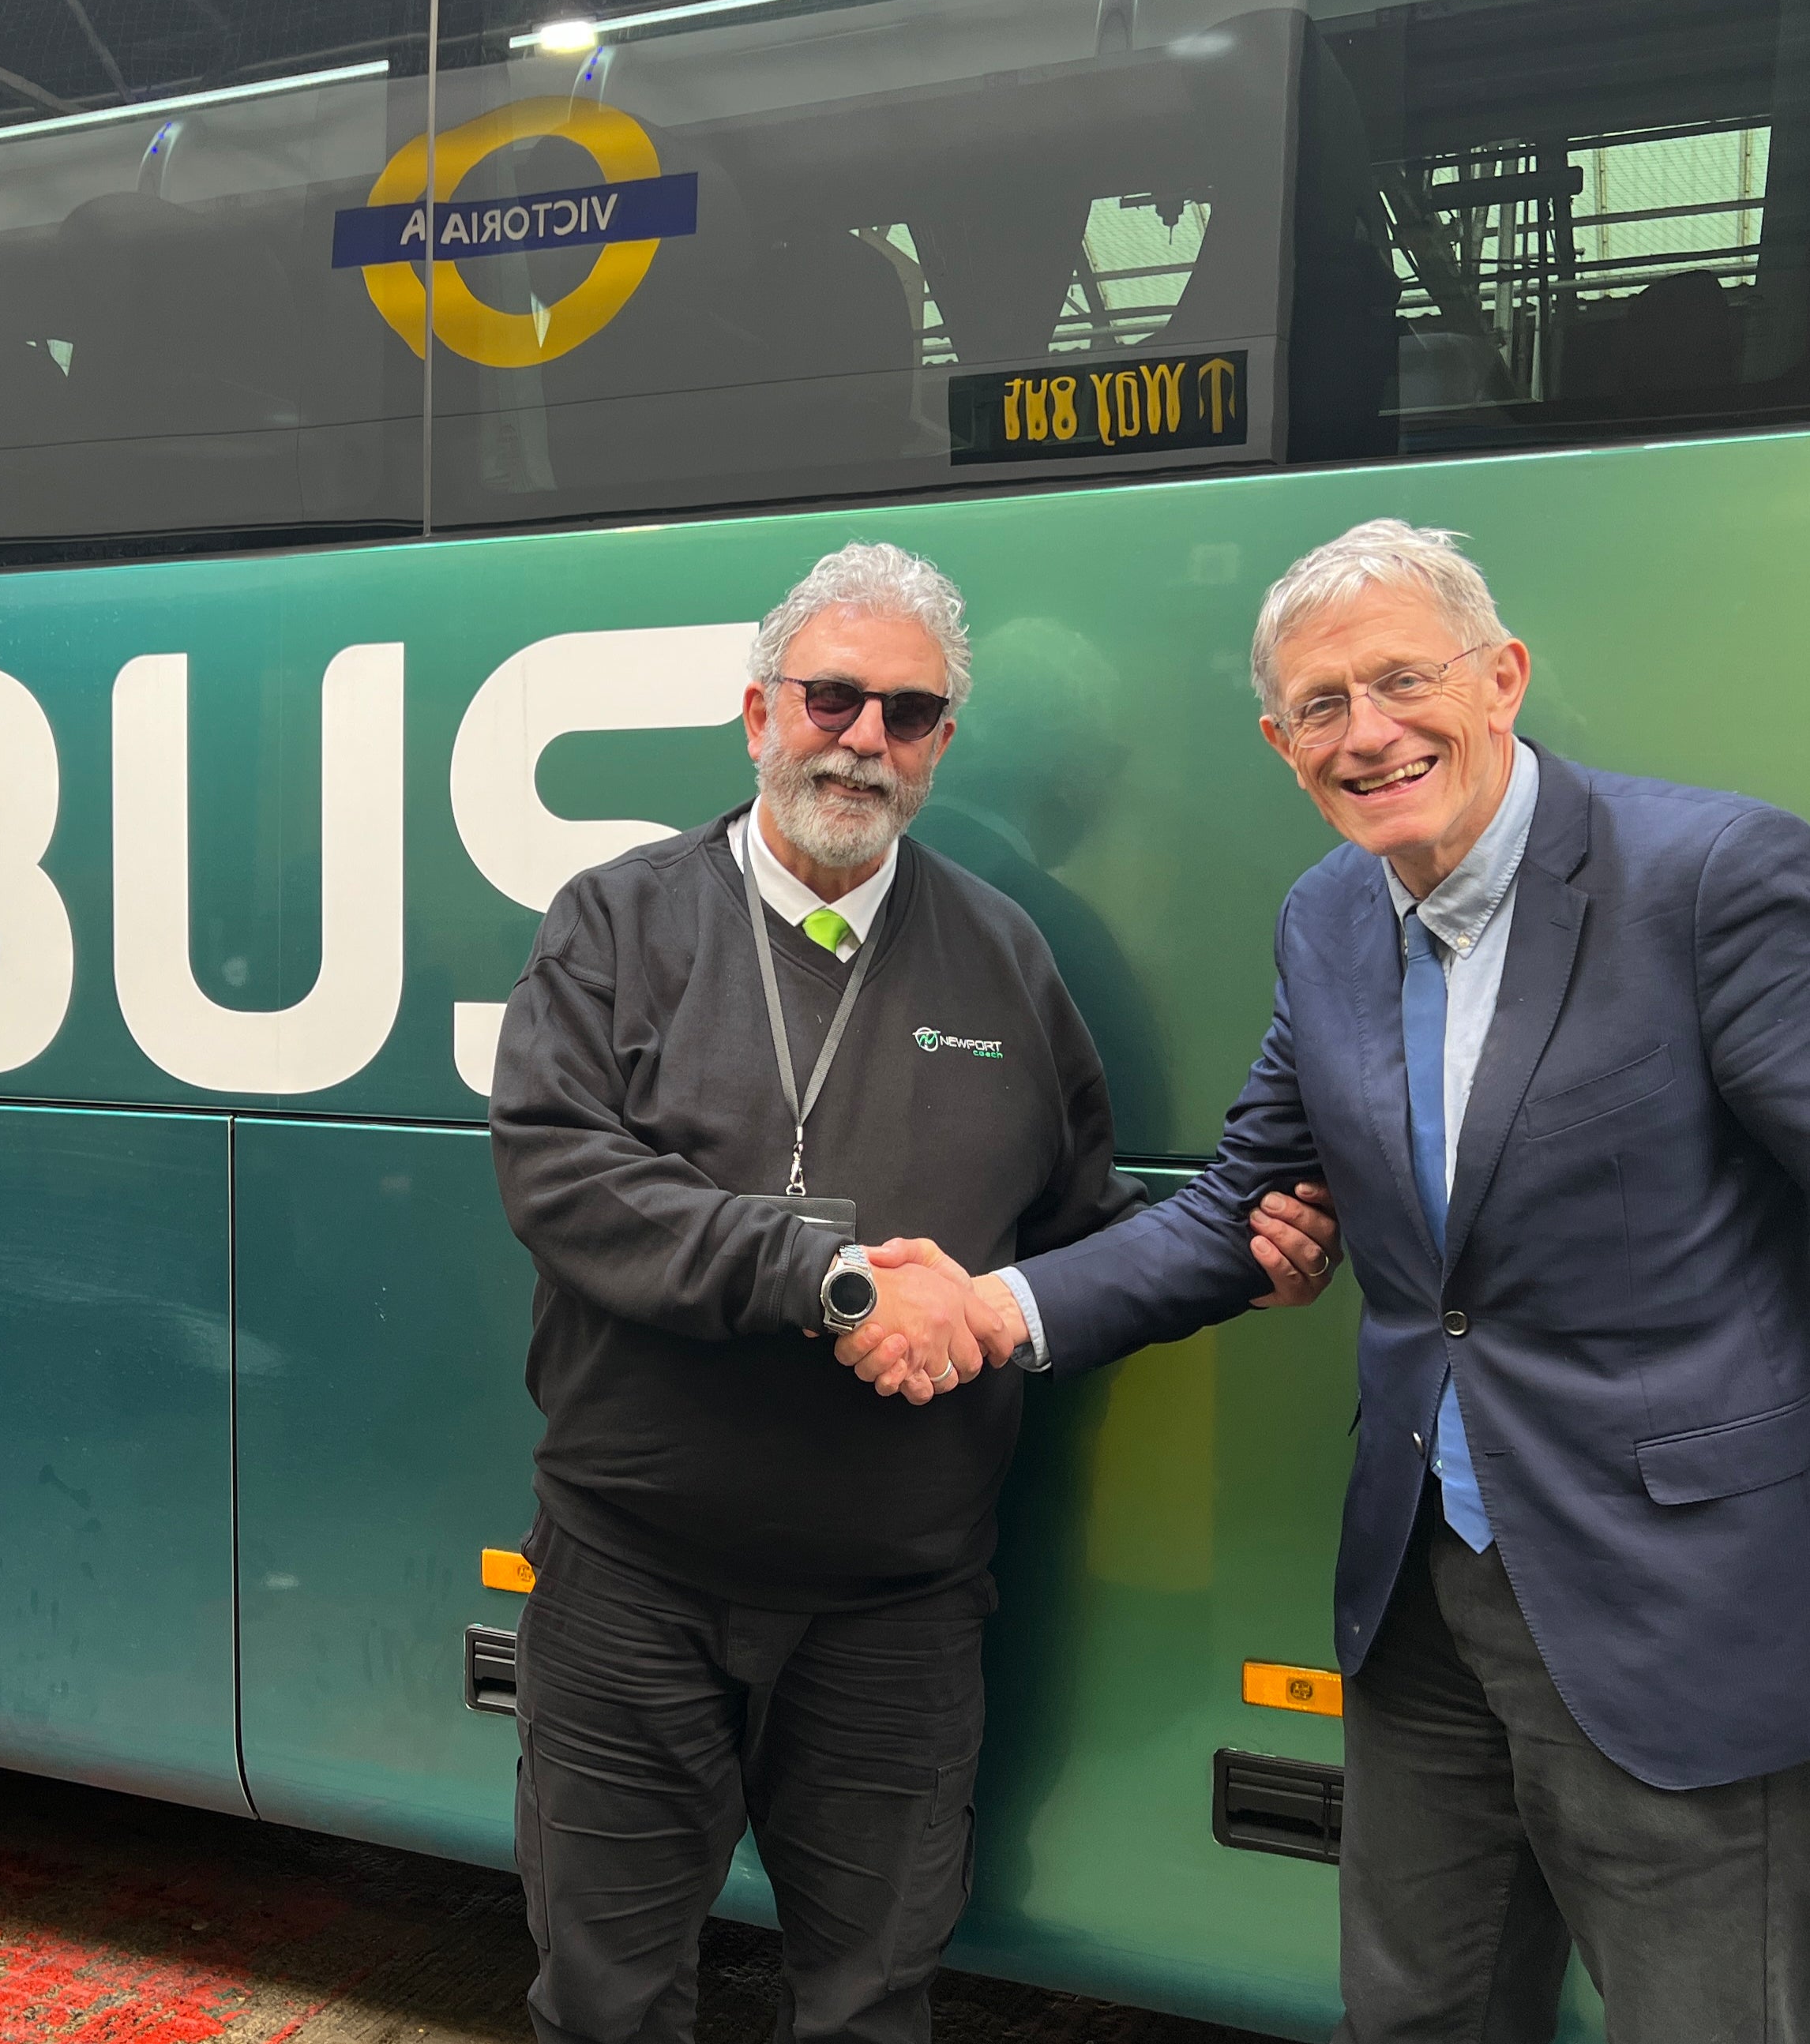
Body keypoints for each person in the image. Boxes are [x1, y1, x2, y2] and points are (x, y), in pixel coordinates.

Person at [854, 519, 1810, 2043]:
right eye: (1320, 705)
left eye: (1402, 680)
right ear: (1278, 739)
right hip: (1426, 1599)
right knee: (1416, 2015)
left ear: (1501, 679)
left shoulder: (1709, 877)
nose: (1367, 732)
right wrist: (992, 1306)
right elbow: (1243, 1201)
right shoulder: (1328, 918)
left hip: (1677, 1602)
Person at [487, 542, 1335, 2044]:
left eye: (910, 712)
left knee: (875, 2004)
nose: (863, 737)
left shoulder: (1007, 955)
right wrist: (829, 1282)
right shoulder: (615, 924)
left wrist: (1231, 1263)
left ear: (943, 745)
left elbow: (1082, 1231)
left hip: (897, 1618)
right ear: (758, 711)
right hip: (634, 1588)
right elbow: (566, 1183)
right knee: (606, 2005)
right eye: (831, 697)